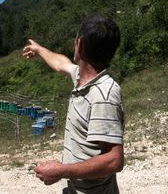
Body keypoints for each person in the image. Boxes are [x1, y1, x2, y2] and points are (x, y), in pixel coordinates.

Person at [23, 14, 125, 193]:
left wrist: (62, 171)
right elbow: (61, 64)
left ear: (80, 45)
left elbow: (114, 160)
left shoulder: (103, 95)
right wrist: (39, 50)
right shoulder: (82, 77)